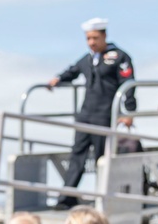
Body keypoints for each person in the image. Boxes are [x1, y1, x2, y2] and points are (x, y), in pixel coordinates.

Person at [48, 18, 136, 209]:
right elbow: (73, 71)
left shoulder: (120, 57)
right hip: (85, 115)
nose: (91, 42)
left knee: (102, 160)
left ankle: (103, 199)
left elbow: (129, 86)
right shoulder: (88, 59)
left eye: (95, 38)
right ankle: (67, 198)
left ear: (104, 35)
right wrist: (57, 79)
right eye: (88, 38)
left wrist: (128, 112)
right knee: (77, 156)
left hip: (104, 116)